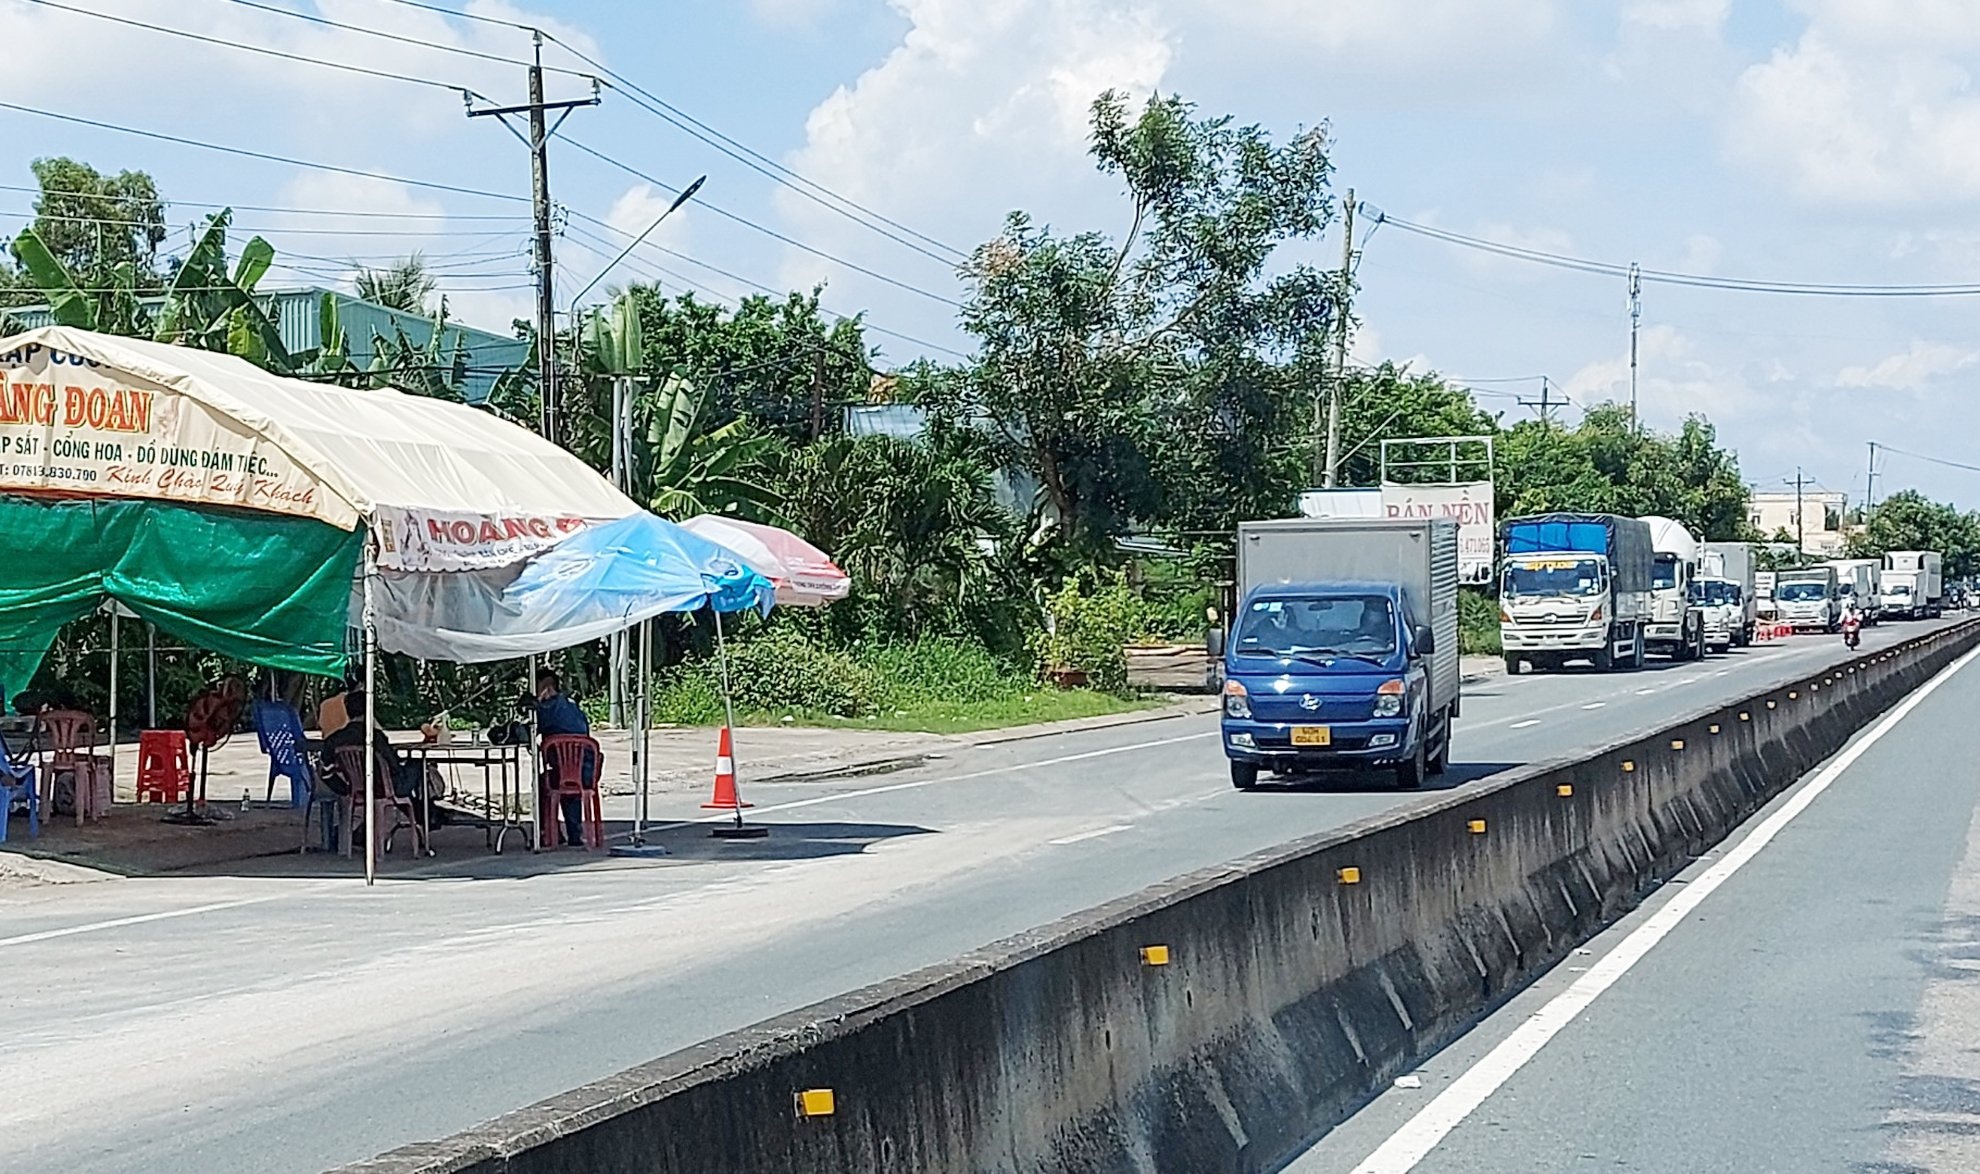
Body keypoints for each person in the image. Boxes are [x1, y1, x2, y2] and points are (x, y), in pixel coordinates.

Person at [535, 669, 593, 848]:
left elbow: (534, 728)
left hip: (564, 772)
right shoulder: (573, 706)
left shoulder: (548, 708)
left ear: (546, 688)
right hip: (587, 772)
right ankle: (574, 834)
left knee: (542, 783)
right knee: (568, 783)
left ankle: (546, 832)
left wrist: (536, 703)